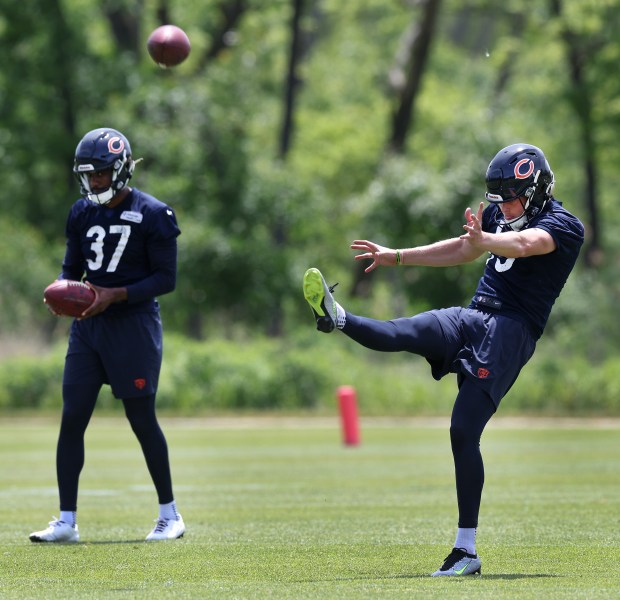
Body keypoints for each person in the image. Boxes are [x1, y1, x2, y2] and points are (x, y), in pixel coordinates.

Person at [303, 143, 584, 576]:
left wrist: (486, 239)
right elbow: (463, 248)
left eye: (512, 197)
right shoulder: (497, 216)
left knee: (462, 431)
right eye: (500, 198)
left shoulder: (564, 224)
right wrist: (396, 255)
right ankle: (338, 318)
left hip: (511, 333)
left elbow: (527, 244)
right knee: (408, 331)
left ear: (537, 190)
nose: (504, 206)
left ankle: (466, 550)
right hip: (476, 314)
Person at [30, 128, 185, 543]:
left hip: (133, 326)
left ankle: (170, 515)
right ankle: (66, 521)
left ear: (118, 170)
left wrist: (114, 294)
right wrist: (64, 294)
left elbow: (166, 280)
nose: (94, 182)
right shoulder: (80, 213)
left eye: (100, 174)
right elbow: (70, 268)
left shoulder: (155, 214)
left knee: (141, 419)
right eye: (89, 174)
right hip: (89, 327)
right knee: (72, 419)